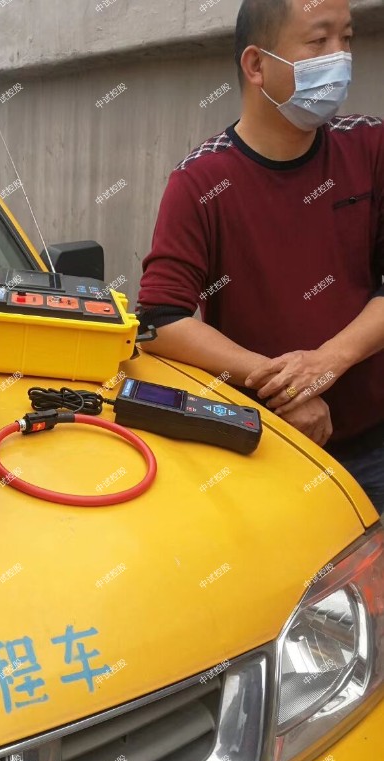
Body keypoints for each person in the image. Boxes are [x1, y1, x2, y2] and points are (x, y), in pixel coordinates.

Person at [135, 0, 384, 511]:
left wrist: (326, 362)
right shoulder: (201, 182)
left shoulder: (371, 146)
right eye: (318, 41)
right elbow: (161, 321)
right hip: (265, 446)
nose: (340, 57)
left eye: (347, 39)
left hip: (375, 444)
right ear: (256, 65)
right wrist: (284, 387)